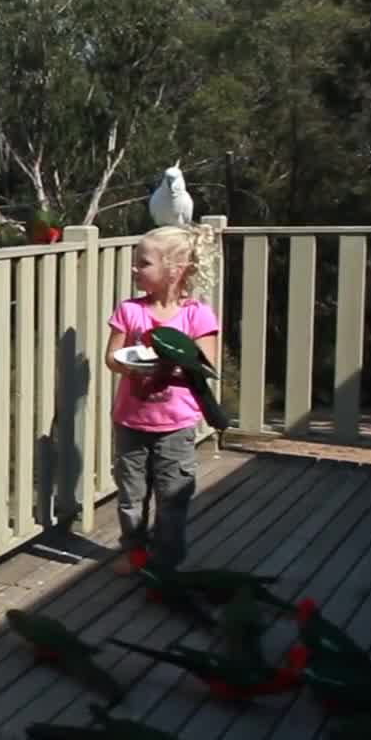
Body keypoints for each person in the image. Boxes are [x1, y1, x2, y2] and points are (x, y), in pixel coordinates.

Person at [104, 223, 220, 573]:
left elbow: (206, 364)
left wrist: (171, 365)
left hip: (176, 425)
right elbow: (113, 357)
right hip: (131, 420)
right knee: (131, 496)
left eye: (144, 263)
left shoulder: (196, 315)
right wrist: (132, 366)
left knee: (173, 496)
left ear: (175, 270)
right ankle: (135, 552)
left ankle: (166, 562)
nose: (135, 269)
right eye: (136, 262)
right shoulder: (129, 310)